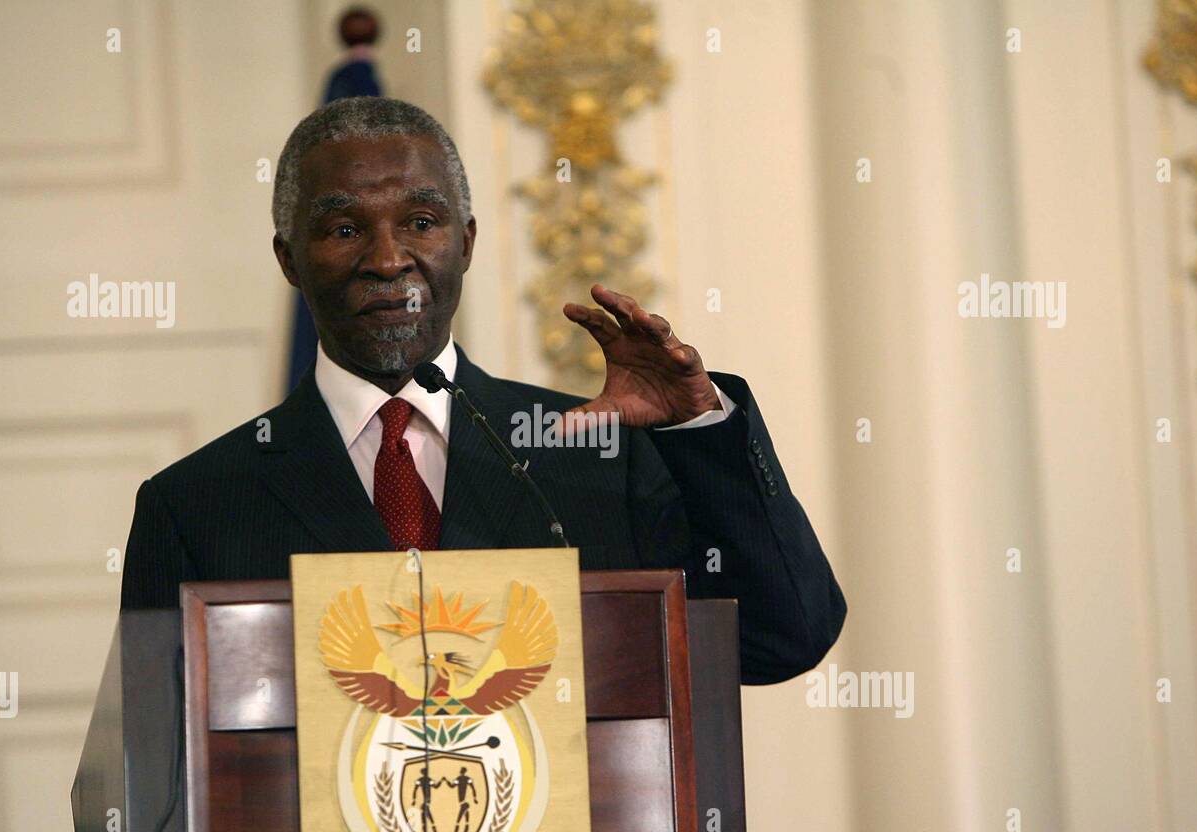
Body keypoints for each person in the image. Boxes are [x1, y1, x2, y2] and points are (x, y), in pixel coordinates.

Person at [120, 97, 846, 685]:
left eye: (421, 223)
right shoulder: (196, 505)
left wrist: (697, 428)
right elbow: (146, 767)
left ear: (465, 243)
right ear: (289, 261)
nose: (387, 258)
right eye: (344, 228)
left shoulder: (599, 456)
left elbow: (784, 639)